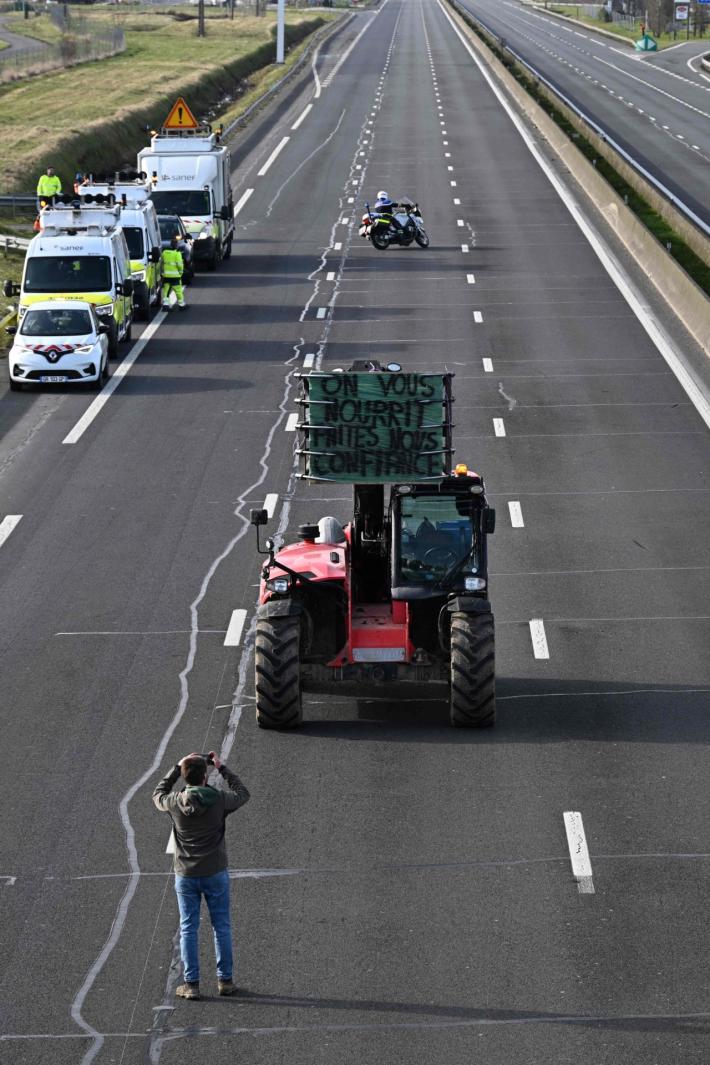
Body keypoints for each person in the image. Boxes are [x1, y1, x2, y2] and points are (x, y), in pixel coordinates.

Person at [153, 751, 250, 1000]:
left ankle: (192, 984)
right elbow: (243, 794)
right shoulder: (218, 799)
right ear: (205, 777)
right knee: (221, 926)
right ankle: (225, 981)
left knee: (188, 928)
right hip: (215, 871)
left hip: (185, 874)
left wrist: (176, 767)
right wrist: (223, 768)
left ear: (185, 777)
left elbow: (158, 793)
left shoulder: (175, 802)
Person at [161, 235, 186, 311]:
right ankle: (181, 305)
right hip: (175, 277)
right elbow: (180, 266)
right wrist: (181, 273)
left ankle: (165, 305)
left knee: (166, 291)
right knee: (178, 291)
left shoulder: (164, 253)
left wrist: (162, 273)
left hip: (166, 276)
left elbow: (162, 263)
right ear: (177, 246)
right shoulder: (177, 254)